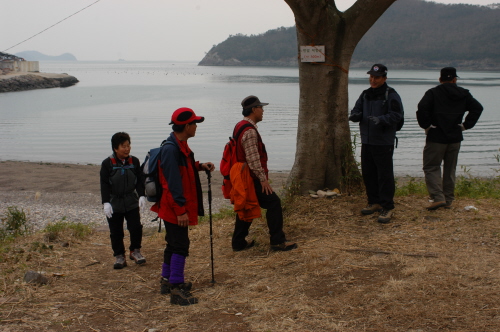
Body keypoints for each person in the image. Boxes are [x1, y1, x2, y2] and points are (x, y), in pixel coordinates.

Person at [151, 107, 214, 306]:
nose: (196, 126)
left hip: (173, 207)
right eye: (194, 123)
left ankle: (167, 280)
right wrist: (180, 210)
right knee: (180, 245)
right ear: (186, 126)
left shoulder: (180, 146)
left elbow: (182, 168)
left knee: (173, 244)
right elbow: (169, 183)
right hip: (174, 208)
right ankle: (176, 288)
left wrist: (199, 166)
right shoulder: (171, 149)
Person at [231, 95, 297, 252]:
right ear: (254, 110)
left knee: (248, 205)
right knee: (274, 203)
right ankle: (277, 241)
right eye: (261, 108)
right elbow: (253, 159)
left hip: (242, 174)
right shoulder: (250, 131)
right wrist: (263, 179)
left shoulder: (239, 126)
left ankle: (238, 242)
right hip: (251, 177)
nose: (263, 111)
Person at [416, 67, 483, 210]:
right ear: (454, 79)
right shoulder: (464, 93)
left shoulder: (433, 93)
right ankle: (448, 199)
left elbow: (422, 108)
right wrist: (465, 125)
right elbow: (478, 108)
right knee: (450, 168)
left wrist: (426, 126)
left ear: (440, 80)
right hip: (455, 137)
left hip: (436, 137)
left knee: (431, 166)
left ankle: (438, 197)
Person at [349, 64, 404, 223]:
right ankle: (374, 202)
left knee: (384, 175)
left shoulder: (391, 95)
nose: (373, 80)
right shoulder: (365, 94)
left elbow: (397, 116)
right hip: (367, 140)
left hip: (383, 142)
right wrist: (355, 116)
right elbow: (356, 110)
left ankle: (387, 207)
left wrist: (382, 120)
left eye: (377, 77)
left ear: (384, 78)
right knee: (369, 173)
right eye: (371, 77)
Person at [100, 132, 147, 269]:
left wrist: (142, 195)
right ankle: (119, 255)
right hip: (114, 202)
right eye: (123, 146)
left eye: (128, 145)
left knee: (136, 227)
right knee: (116, 231)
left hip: (131, 200)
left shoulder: (134, 161)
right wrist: (106, 202)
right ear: (115, 148)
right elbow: (104, 184)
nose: (127, 149)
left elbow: (139, 180)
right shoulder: (107, 163)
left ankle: (135, 251)